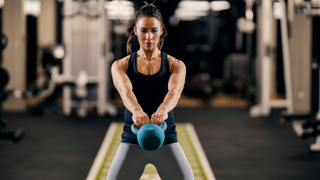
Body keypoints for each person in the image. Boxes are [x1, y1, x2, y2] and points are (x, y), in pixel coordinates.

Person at [107, 1, 194, 180]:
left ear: (161, 30)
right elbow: (125, 91)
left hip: (166, 137)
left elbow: (174, 92)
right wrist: (137, 111)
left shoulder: (176, 65)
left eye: (154, 30)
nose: (149, 37)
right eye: (144, 30)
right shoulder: (120, 66)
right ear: (135, 31)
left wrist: (162, 110)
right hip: (132, 139)